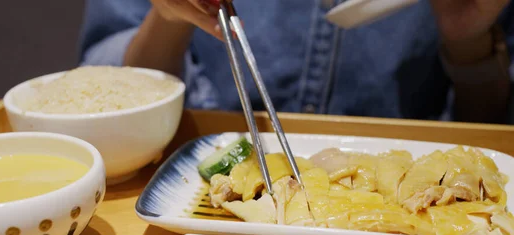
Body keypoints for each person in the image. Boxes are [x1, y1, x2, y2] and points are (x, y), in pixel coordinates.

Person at [79, 0, 514, 124]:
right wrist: (171, 15)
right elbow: (98, 94)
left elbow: (491, 133)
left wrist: (468, 39)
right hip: (200, 202)